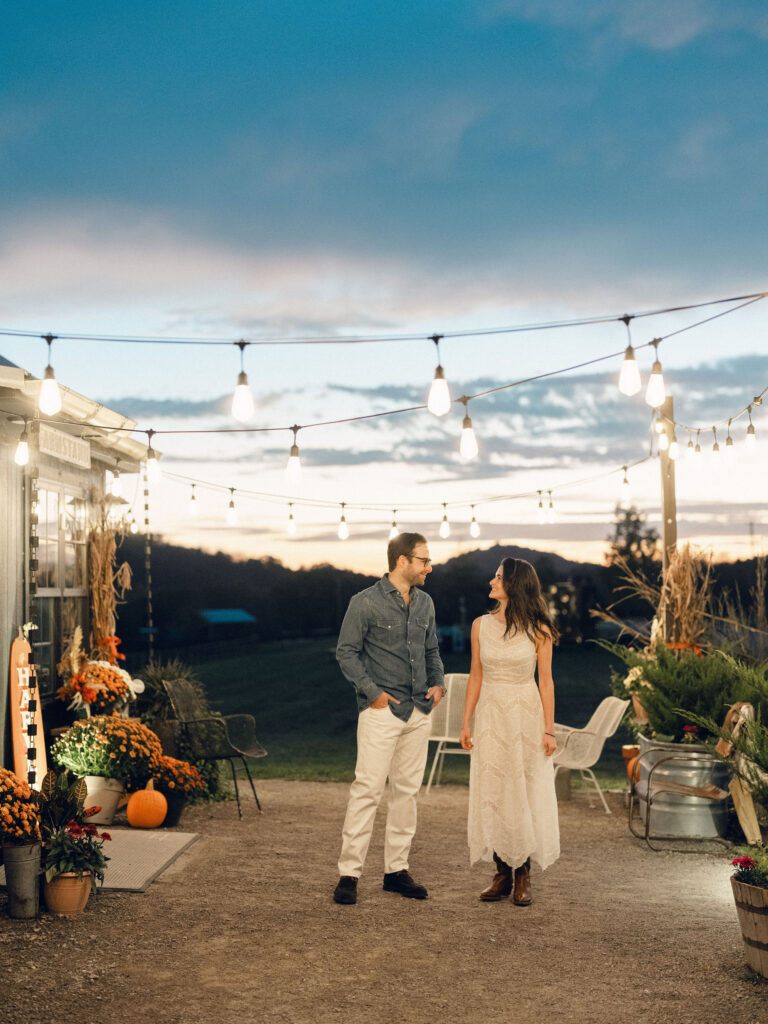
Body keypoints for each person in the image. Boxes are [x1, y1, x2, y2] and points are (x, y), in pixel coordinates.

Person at [333, 532, 445, 905]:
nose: (429, 567)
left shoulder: (426, 603)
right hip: (381, 712)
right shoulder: (364, 602)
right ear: (402, 561)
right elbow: (346, 653)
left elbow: (432, 649)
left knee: (406, 793)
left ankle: (396, 871)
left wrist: (438, 684)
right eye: (424, 561)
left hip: (419, 711)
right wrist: (373, 694)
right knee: (367, 790)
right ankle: (349, 874)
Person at [459, 558, 560, 905]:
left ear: (515, 584)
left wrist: (549, 730)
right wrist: (466, 722)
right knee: (495, 790)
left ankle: (523, 874)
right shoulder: (480, 626)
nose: (492, 581)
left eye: (499, 577)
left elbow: (546, 682)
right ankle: (501, 872)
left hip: (525, 717)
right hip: (491, 717)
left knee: (523, 790)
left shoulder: (539, 630)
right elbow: (476, 676)